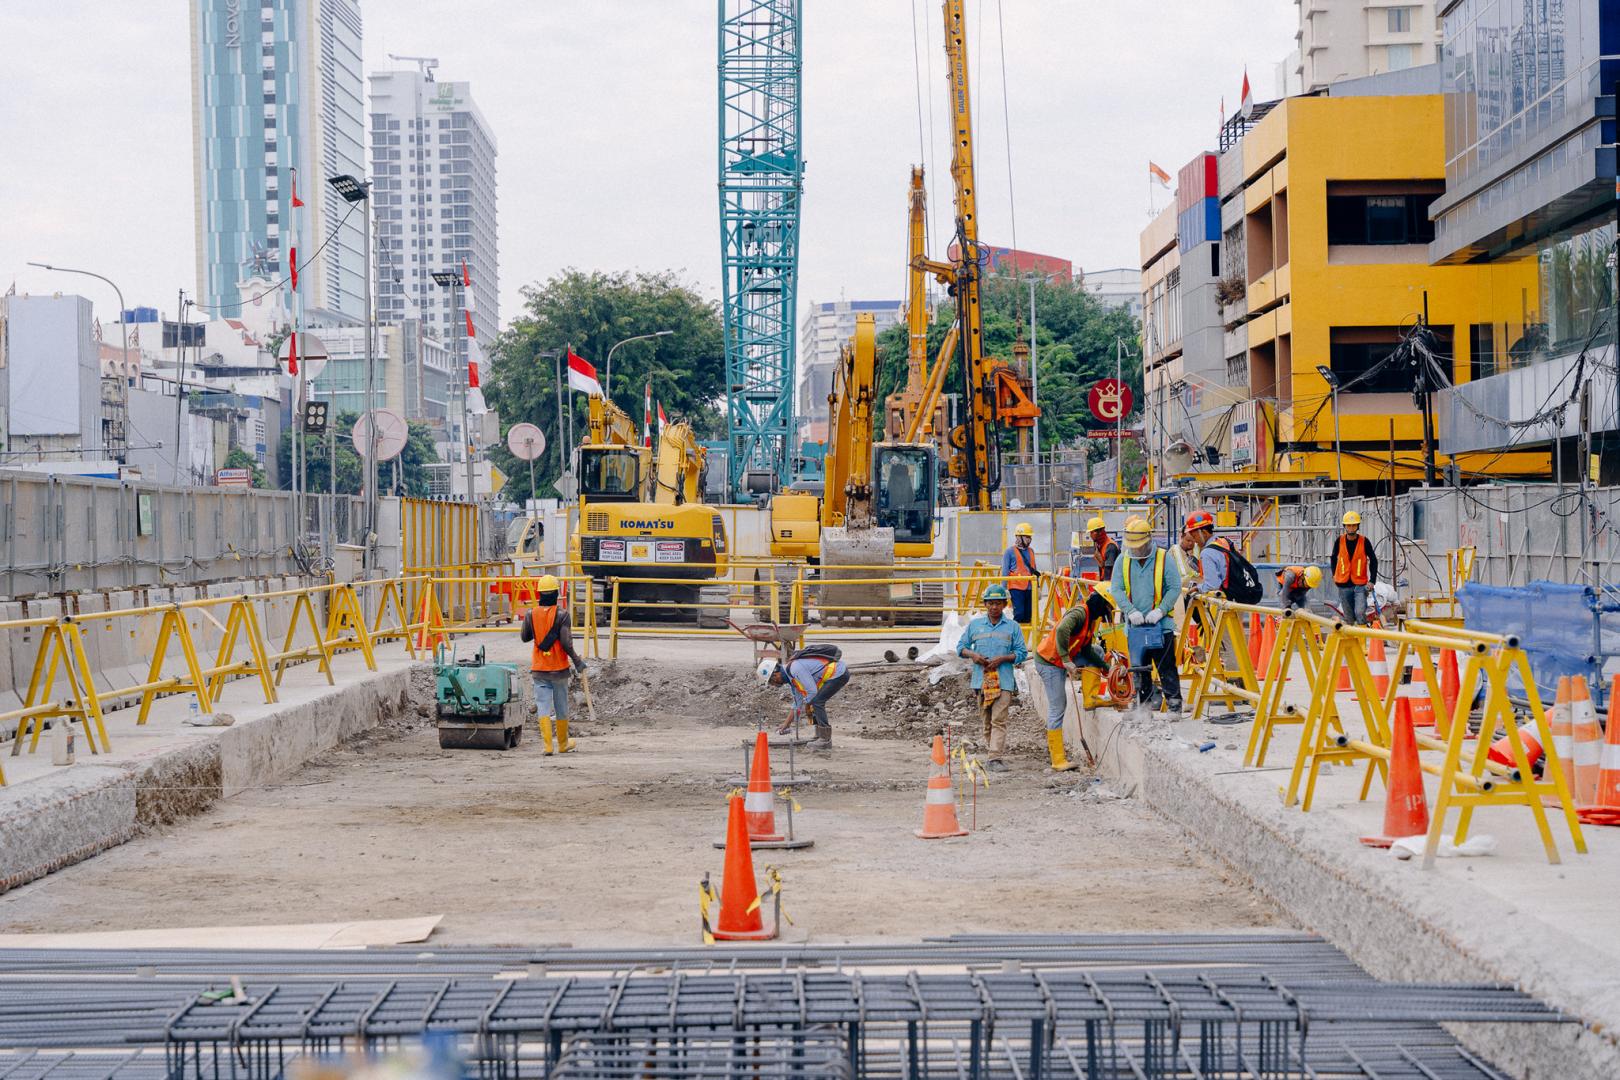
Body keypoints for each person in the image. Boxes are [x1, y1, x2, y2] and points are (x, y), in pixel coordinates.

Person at [1032, 585, 1117, 771]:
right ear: (1101, 603)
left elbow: (1086, 650)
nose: (1108, 612)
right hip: (1050, 661)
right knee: (1058, 706)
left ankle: (1091, 698)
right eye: (1108, 607)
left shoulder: (1091, 620)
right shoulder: (1080, 613)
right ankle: (1057, 759)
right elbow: (1062, 629)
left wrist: (1106, 668)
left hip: (1062, 658)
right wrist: (1065, 660)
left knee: (1097, 651)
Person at [1111, 517, 1183, 714]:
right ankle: (1143, 708)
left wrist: (1161, 609)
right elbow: (1116, 589)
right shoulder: (1123, 560)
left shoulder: (1163, 558)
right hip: (1135, 628)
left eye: (1139, 546)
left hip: (1161, 626)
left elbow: (1175, 587)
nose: (1136, 550)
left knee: (1166, 667)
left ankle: (1174, 705)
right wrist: (1130, 610)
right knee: (1139, 670)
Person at [957, 582, 1029, 772]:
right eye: (990, 603)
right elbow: (960, 648)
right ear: (985, 605)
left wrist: (1004, 658)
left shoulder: (1012, 627)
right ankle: (992, 753)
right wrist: (973, 655)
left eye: (998, 603)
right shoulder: (975, 626)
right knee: (987, 721)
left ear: (1004, 605)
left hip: (1003, 680)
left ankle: (995, 757)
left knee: (999, 719)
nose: (994, 607)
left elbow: (1021, 652)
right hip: (981, 681)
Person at [520, 574, 588, 755]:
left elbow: (524, 637)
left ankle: (547, 746)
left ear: (540, 593)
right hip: (558, 669)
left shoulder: (530, 614)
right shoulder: (562, 615)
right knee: (561, 706)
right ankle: (563, 744)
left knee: (543, 705)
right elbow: (566, 643)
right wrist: (577, 661)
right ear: (557, 593)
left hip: (539, 669)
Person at [761, 647, 849, 752]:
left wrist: (807, 707)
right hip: (833, 675)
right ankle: (819, 735)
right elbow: (797, 704)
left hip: (838, 673)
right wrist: (786, 724)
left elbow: (812, 692)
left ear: (775, 674)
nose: (774, 685)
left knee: (816, 702)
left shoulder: (795, 669)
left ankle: (825, 739)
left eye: (772, 682)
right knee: (813, 702)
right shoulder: (792, 678)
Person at [1329, 511, 1377, 625]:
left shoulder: (1364, 541)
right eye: (1349, 525)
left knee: (1360, 613)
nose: (1351, 528)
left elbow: (1374, 560)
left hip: (1360, 584)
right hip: (1343, 585)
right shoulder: (1339, 541)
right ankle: (1352, 640)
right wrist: (1334, 574)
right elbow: (1333, 558)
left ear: (1357, 526)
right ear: (1344, 526)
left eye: (1354, 525)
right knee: (1349, 618)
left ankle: (1362, 640)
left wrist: (1372, 581)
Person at [1001, 523, 1039, 625]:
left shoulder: (1031, 551)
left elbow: (1034, 570)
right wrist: (1004, 589)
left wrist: (1038, 587)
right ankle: (1017, 637)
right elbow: (1004, 571)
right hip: (1016, 588)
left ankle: (1025, 639)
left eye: (1030, 537)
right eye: (1027, 537)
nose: (1029, 539)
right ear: (1019, 537)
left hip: (1030, 588)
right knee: (1019, 613)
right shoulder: (1009, 552)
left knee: (1028, 615)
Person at [1088, 517, 1119, 582]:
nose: (1090, 535)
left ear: (1099, 532)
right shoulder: (1099, 545)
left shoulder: (1110, 547)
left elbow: (1108, 571)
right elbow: (1102, 567)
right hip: (1105, 582)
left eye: (1091, 532)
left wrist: (1102, 588)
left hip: (1113, 584)